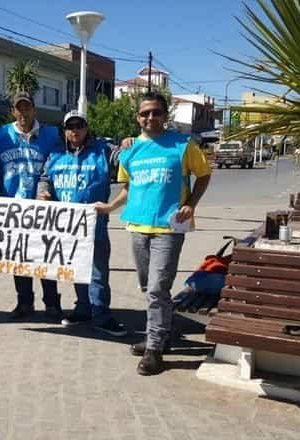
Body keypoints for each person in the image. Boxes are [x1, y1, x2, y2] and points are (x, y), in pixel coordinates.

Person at [96, 92, 212, 375]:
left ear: (165, 115)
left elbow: (204, 174)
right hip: (137, 227)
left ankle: (155, 350)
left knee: (159, 287)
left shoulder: (183, 145)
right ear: (138, 118)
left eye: (156, 112)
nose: (150, 117)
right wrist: (110, 207)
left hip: (169, 228)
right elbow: (129, 187)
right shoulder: (130, 150)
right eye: (145, 113)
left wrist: (190, 204)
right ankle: (160, 335)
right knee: (149, 288)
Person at [37, 110, 127, 336]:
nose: (75, 130)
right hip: (66, 227)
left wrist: (131, 146)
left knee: (97, 273)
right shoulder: (56, 153)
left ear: (87, 128)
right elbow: (45, 178)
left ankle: (102, 315)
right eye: (70, 126)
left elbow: (126, 161)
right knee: (76, 269)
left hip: (94, 226)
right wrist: (43, 192)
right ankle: (84, 309)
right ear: (64, 131)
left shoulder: (103, 150)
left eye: (79, 125)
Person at [0, 92, 63, 320]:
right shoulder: (1, 135)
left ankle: (52, 303)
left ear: (34, 109)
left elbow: (55, 164)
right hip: (13, 210)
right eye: (18, 108)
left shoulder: (51, 134)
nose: (23, 112)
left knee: (46, 257)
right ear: (13, 111)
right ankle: (24, 303)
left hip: (43, 208)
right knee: (18, 258)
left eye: (27, 107)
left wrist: (44, 191)